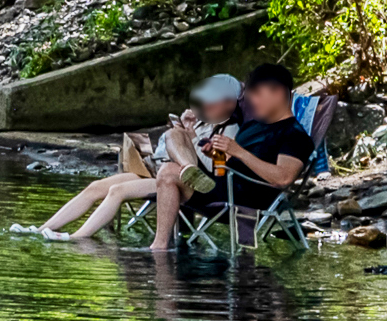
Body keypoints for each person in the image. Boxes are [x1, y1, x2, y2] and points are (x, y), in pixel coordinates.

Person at [21, 76, 240, 239]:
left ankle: (77, 237)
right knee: (96, 186)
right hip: (161, 169)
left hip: (178, 181)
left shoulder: (231, 130)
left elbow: (215, 169)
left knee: (118, 191)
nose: (206, 104)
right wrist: (189, 130)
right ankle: (41, 229)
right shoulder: (204, 122)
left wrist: (189, 137)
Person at [155, 64, 311, 250]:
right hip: (224, 185)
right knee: (175, 134)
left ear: (278, 93)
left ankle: (159, 248)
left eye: (257, 95)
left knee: (169, 173)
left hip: (245, 198)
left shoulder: (294, 135)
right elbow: (231, 162)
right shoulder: (253, 126)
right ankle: (190, 169)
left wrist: (238, 151)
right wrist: (214, 153)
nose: (252, 102)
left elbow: (283, 178)